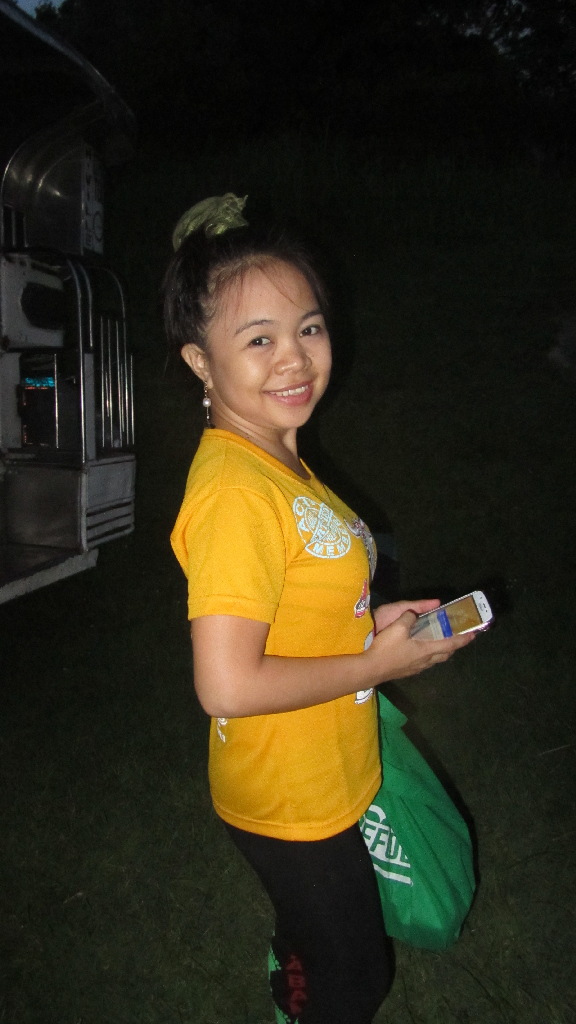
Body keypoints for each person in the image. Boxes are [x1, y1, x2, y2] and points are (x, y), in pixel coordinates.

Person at [164, 194, 473, 1024]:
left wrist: (372, 625)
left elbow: (295, 600)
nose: (295, 358)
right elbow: (226, 685)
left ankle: (294, 970)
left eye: (308, 327)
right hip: (288, 796)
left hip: (327, 770)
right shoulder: (235, 490)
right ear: (201, 362)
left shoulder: (277, 461)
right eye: (258, 339)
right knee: (354, 981)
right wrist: (376, 664)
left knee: (332, 950)